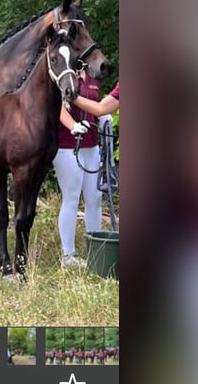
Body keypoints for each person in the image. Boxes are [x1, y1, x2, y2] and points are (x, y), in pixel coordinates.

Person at [54, 74, 115, 267]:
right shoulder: (64, 74)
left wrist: (103, 116)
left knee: (95, 197)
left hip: (92, 145)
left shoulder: (92, 77)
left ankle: (95, 248)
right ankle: (68, 255)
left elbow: (97, 105)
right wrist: (73, 126)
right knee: (71, 197)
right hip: (67, 145)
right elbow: (58, 106)